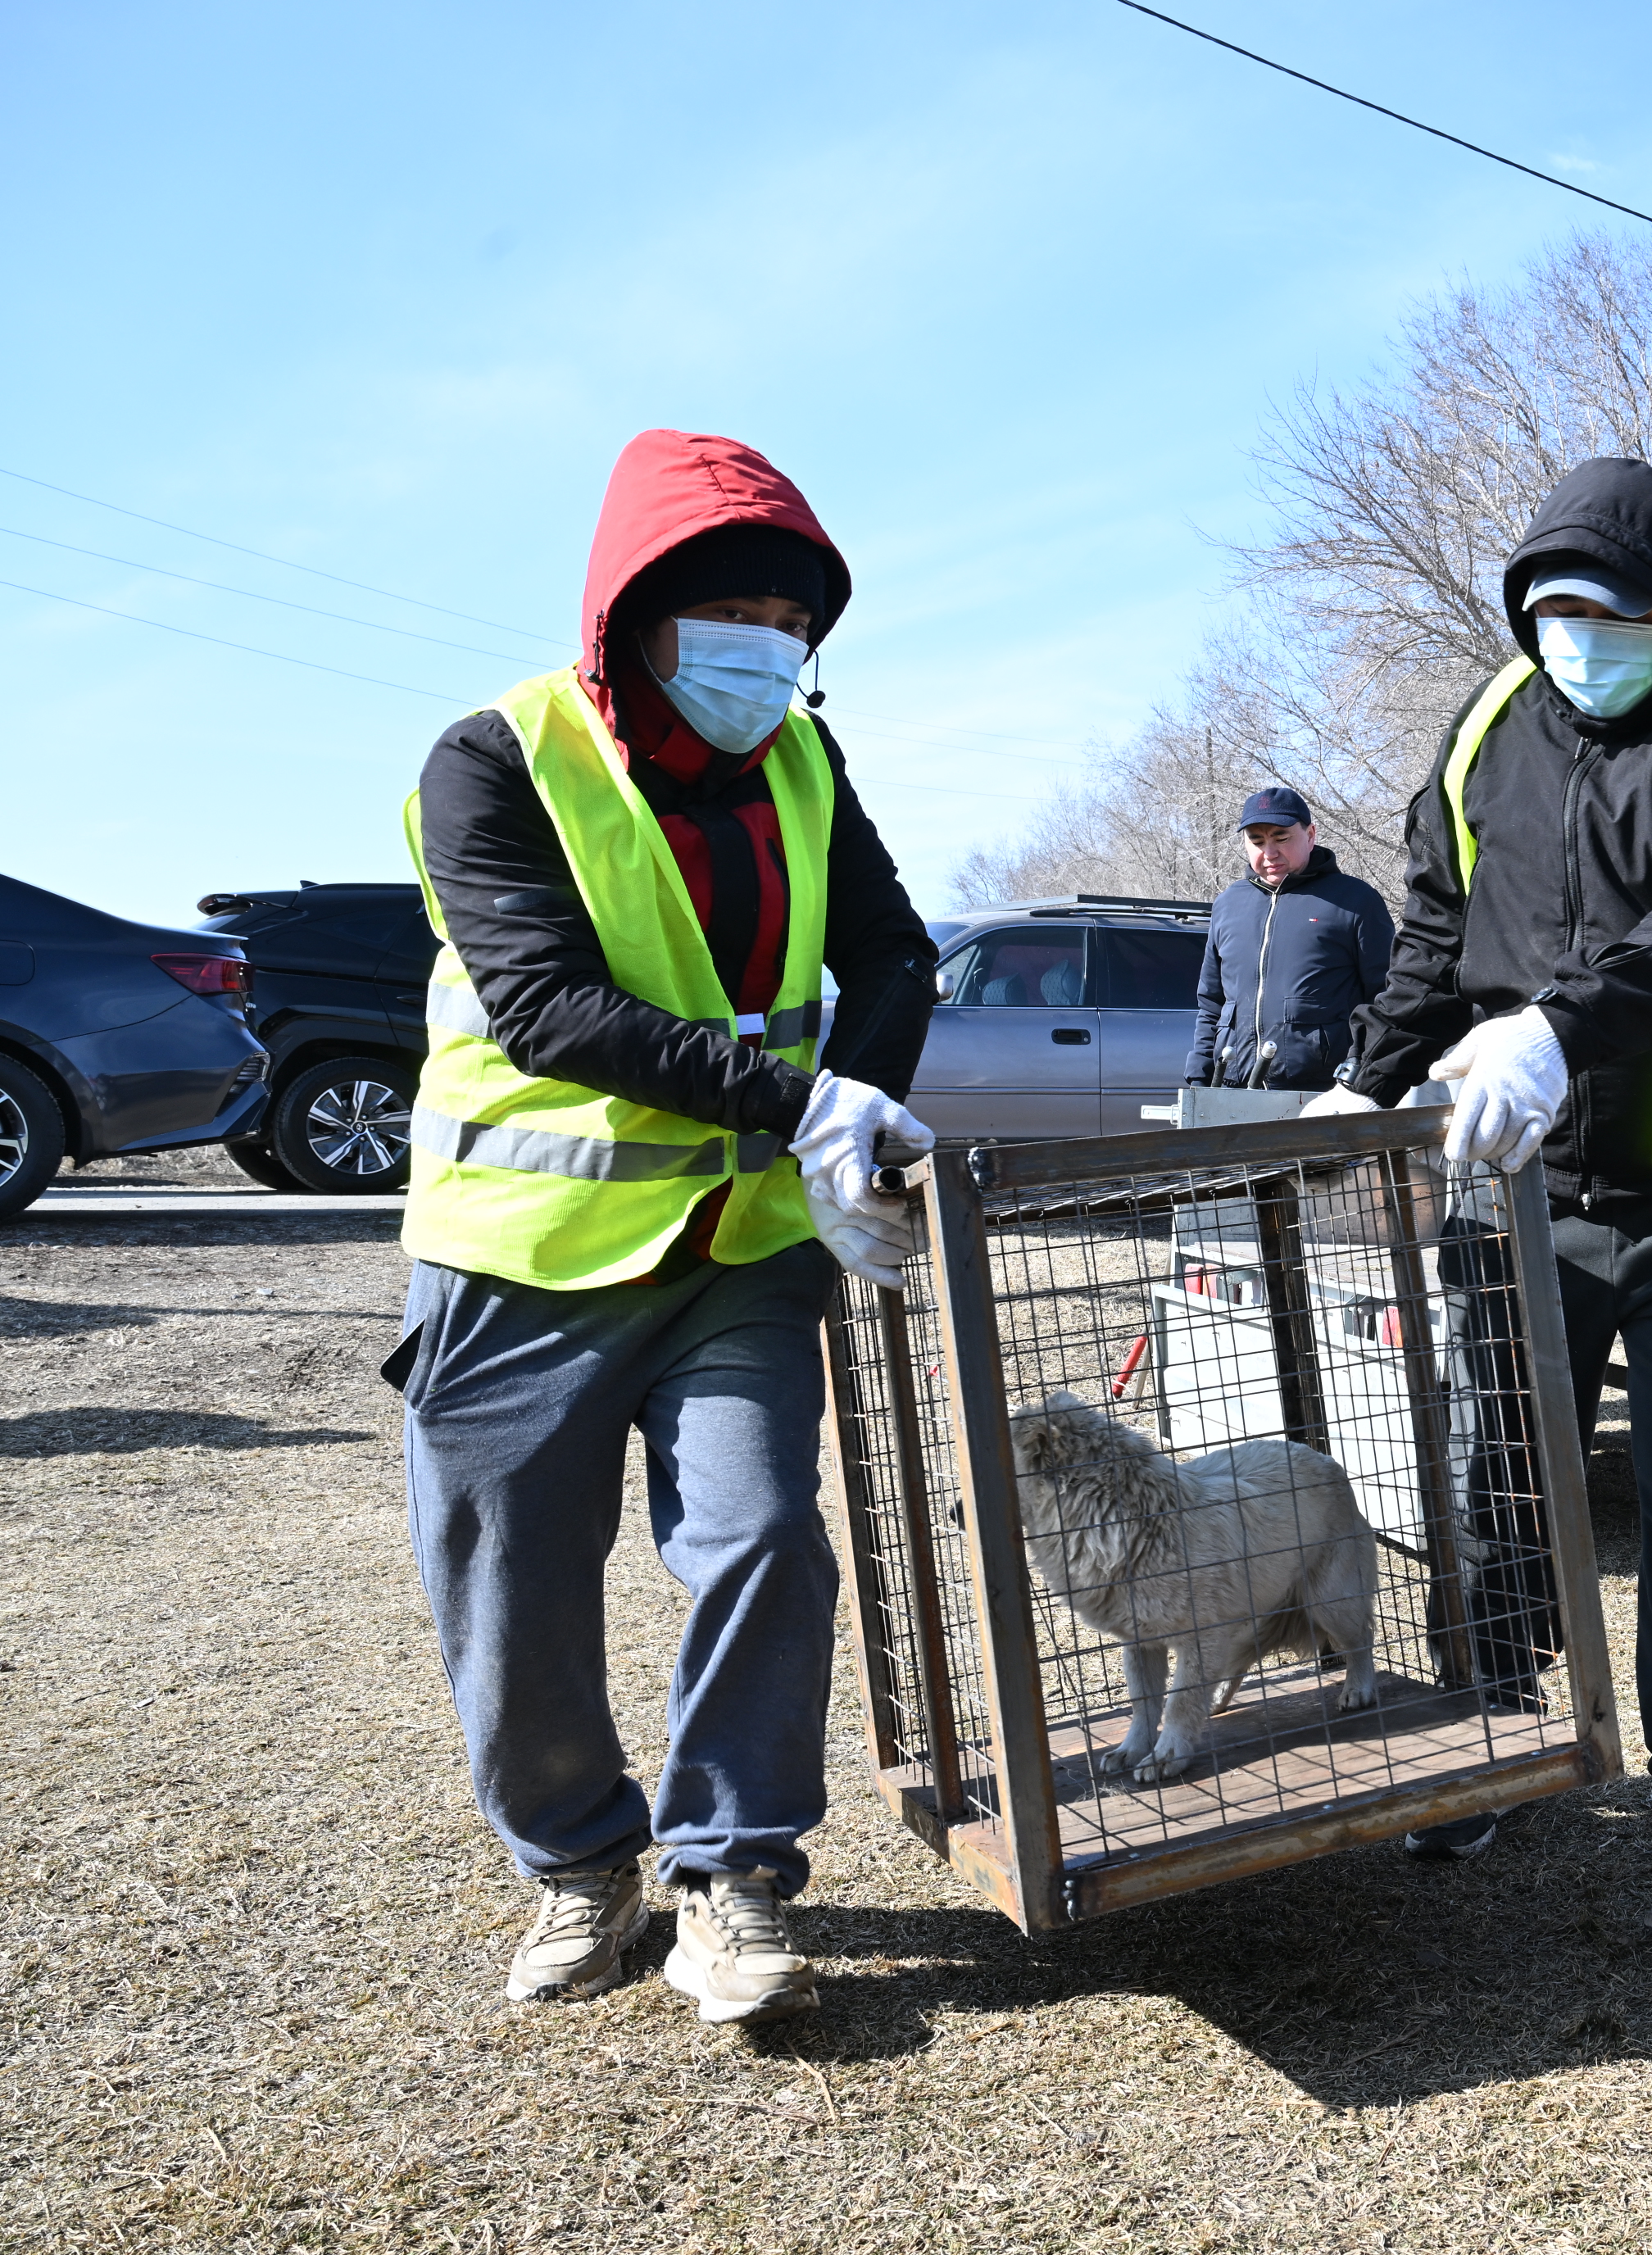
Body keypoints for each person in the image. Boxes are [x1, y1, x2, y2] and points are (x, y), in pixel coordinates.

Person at [391, 429, 937, 2026]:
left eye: (793, 616)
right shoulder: (493, 760)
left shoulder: (809, 767)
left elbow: (899, 960)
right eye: (729, 607)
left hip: (740, 1250)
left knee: (766, 1534)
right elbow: (550, 1005)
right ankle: (580, 1860)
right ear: (633, 613)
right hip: (521, 1257)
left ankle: (735, 1869)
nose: (766, 642)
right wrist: (799, 1101)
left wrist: (856, 1110)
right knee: (511, 1587)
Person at [1306, 456, 1652, 1934]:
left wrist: (1556, 1027)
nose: (1580, 637)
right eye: (1552, 612)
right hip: (1522, 1186)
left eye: (1615, 613)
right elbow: (1435, 921)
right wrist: (1367, 1076)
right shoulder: (1487, 723)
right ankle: (1489, 1742)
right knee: (1496, 1473)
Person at [1185, 784, 1396, 1091]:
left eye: (1281, 838)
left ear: (1310, 835)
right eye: (1257, 841)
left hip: (1324, 1091)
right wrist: (1200, 1073)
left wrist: (1363, 1072)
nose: (1269, 853)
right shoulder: (1228, 904)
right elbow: (1211, 1003)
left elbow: (1385, 998)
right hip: (1233, 1086)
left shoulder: (1356, 901)